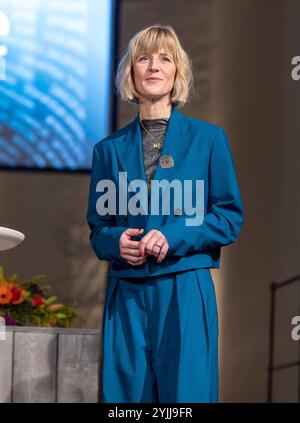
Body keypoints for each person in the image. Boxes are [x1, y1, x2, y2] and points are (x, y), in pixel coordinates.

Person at [87, 24, 244, 403]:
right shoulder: (107, 150)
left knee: (186, 397)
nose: (154, 66)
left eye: (165, 58)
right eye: (144, 58)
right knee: (125, 399)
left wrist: (173, 235)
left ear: (177, 72)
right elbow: (98, 228)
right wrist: (115, 241)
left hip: (185, 287)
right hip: (127, 291)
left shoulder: (209, 141)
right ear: (131, 73)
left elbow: (228, 217)